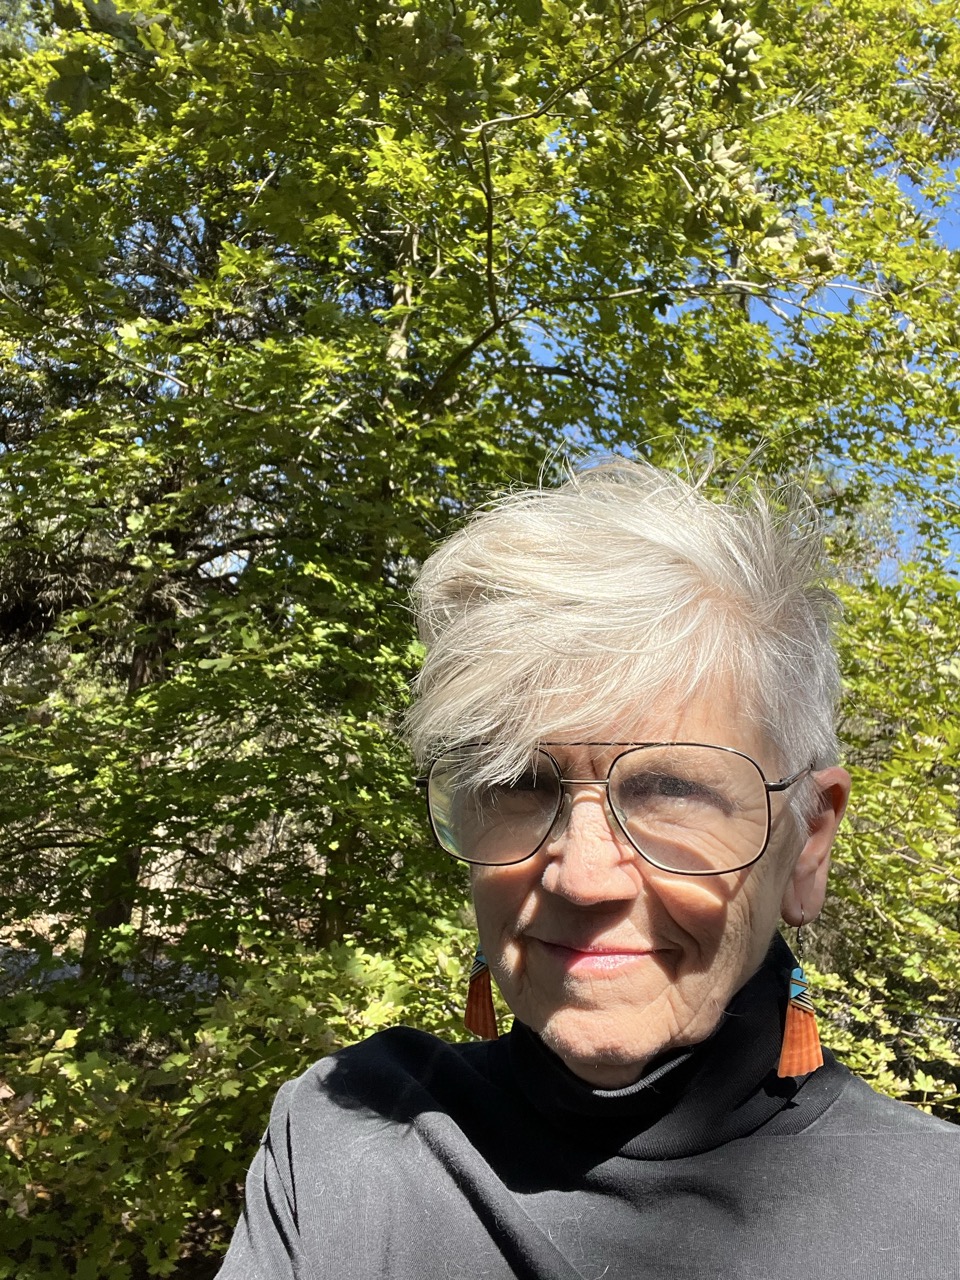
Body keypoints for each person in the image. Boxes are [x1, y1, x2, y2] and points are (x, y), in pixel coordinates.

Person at [216, 461, 958, 1280]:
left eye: (671, 789)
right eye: (517, 786)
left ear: (807, 841)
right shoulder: (346, 1143)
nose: (582, 879)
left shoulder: (936, 1214)